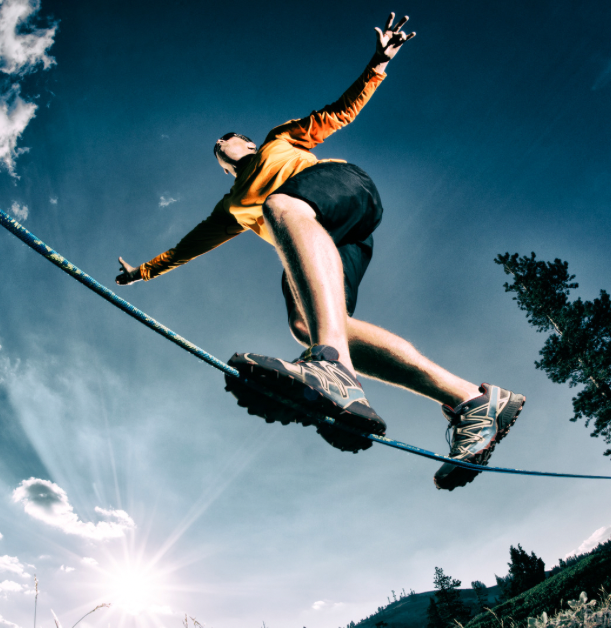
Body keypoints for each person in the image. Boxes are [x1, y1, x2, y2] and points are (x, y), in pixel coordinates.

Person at [115, 13, 525, 490]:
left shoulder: (278, 140)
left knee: (279, 205)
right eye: (218, 148)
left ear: (247, 143)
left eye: (228, 138)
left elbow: (337, 113)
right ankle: (473, 401)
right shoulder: (230, 208)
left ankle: (333, 368)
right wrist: (143, 272)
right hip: (327, 243)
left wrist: (377, 65)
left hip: (343, 190)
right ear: (224, 169)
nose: (222, 143)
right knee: (306, 324)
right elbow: (186, 248)